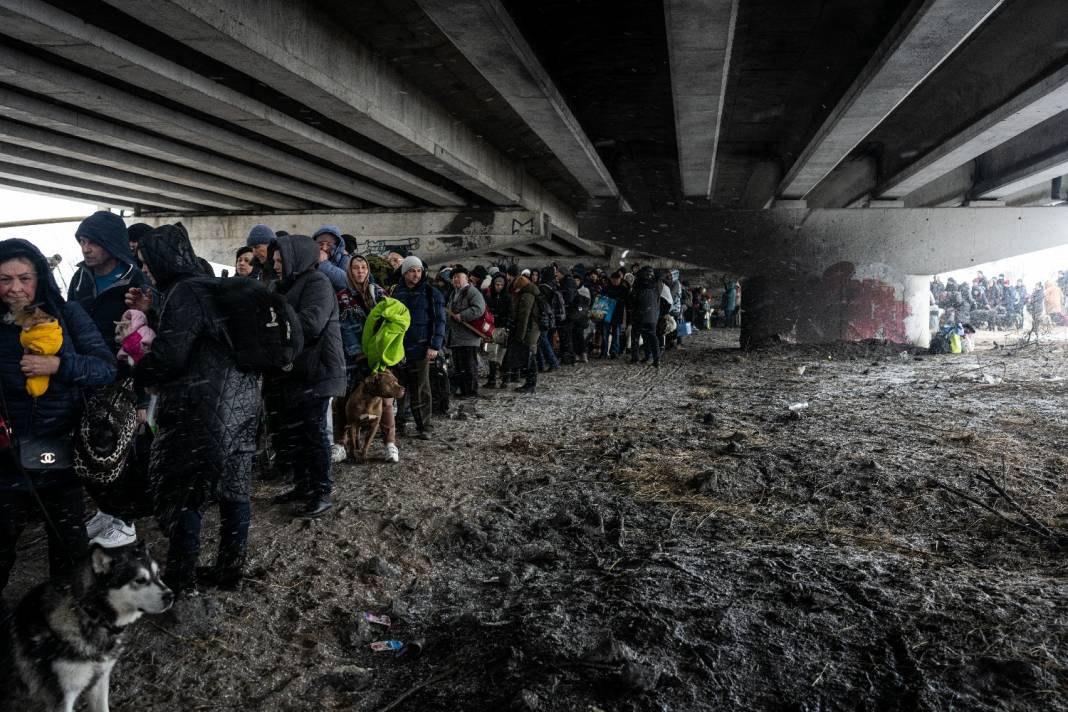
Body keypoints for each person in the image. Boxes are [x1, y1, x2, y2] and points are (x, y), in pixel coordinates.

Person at [132, 224, 260, 595]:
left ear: (162, 259)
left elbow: (171, 356)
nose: (146, 270)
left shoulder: (183, 291)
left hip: (206, 407)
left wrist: (137, 369)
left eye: (146, 262)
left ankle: (181, 578)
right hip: (244, 400)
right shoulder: (213, 287)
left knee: (186, 490)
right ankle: (231, 570)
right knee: (235, 488)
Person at [0, 239, 117, 594]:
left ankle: (67, 619)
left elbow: (106, 369)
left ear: (40, 278)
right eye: (5, 279)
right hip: (5, 457)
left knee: (69, 549)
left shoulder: (67, 315)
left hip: (58, 452)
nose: (15, 289)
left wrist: (59, 365)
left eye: (24, 278)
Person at [68, 210, 151, 548]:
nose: (86, 248)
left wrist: (142, 396)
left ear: (110, 243)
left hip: (124, 378)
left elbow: (147, 339)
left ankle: (125, 519)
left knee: (120, 449)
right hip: (86, 374)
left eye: (93, 241)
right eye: (83, 241)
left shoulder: (135, 281)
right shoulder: (79, 278)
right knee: (87, 447)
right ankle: (106, 508)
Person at [265, 235, 346, 519]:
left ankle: (322, 491)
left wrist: (275, 318)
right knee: (295, 433)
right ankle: (302, 486)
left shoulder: (317, 283)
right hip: (295, 373)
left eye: (279, 260)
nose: (275, 265)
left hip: (318, 370)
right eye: (274, 261)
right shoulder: (283, 285)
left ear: (295, 258)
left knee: (314, 434)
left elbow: (310, 324)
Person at [335, 255, 399, 463]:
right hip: (354, 358)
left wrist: (386, 349)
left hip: (378, 357)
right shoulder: (342, 296)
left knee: (385, 399)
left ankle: (390, 443)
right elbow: (344, 328)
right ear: (349, 271)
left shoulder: (378, 292)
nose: (360, 271)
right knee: (345, 399)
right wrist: (357, 351)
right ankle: (340, 443)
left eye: (363, 267)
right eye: (355, 268)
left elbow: (390, 321)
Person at [389, 256, 445, 438]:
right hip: (399, 349)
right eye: (412, 270)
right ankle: (398, 423)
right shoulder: (396, 292)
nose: (416, 274)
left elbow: (439, 321)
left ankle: (424, 426)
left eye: (419, 270)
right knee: (399, 388)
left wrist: (434, 345)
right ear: (405, 272)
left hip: (421, 349)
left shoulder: (431, 293)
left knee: (421, 388)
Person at [446, 266, 487, 398]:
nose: (456, 279)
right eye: (454, 277)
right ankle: (463, 390)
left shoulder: (472, 292)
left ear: (466, 278)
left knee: (469, 365)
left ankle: (471, 391)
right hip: (457, 337)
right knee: (459, 365)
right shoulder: (455, 292)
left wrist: (462, 316)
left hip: (469, 336)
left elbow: (479, 308)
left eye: (458, 276)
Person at [506, 273, 541, 394]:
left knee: (530, 357)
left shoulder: (526, 296)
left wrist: (519, 336)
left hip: (529, 331)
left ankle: (530, 384)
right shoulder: (531, 293)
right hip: (532, 329)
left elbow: (524, 317)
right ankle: (530, 383)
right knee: (529, 357)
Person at [484, 273, 512, 388]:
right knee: (492, 354)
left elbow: (510, 313)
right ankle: (492, 379)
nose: (498, 287)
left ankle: (505, 379)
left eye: (501, 285)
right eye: (497, 284)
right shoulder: (490, 297)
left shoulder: (507, 298)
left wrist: (505, 323)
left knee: (503, 355)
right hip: (492, 328)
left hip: (503, 329)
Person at [630, 266, 661, 368]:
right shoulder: (656, 284)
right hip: (651, 315)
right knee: (651, 337)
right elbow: (658, 299)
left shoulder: (638, 284)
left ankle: (635, 358)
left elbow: (634, 300)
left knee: (636, 336)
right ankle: (655, 359)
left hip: (639, 314)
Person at [312, 225, 352, 291]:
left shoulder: (345, 259)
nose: (324, 248)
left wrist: (323, 263)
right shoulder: (310, 258)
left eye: (329, 244)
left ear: (336, 246)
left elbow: (347, 283)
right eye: (320, 244)